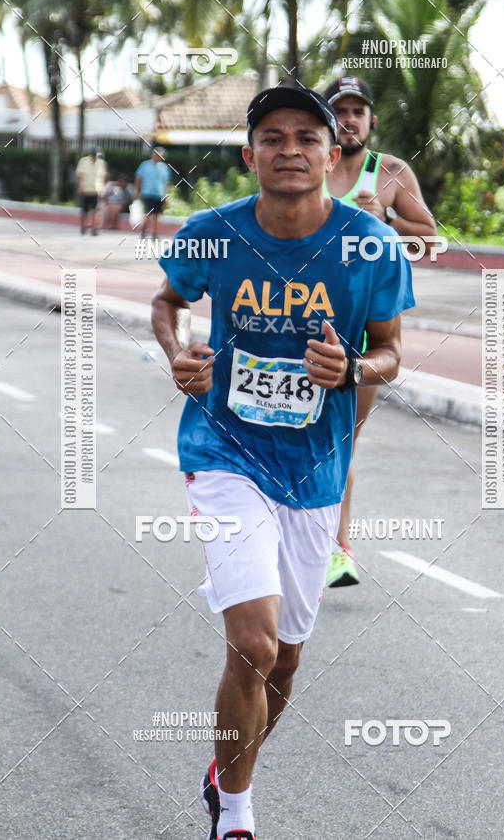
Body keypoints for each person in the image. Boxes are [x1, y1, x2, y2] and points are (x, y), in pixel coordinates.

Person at [151, 86, 415, 840]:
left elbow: (393, 351)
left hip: (314, 469)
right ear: (250, 155)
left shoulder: (370, 246)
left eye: (307, 137)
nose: (290, 148)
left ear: (334, 156)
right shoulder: (214, 232)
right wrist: (178, 355)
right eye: (272, 136)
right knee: (253, 643)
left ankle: (222, 774)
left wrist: (355, 369)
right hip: (224, 450)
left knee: (285, 665)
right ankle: (236, 818)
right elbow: (167, 302)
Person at [322, 75, 437, 588]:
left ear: (371, 120)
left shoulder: (388, 171)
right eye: (339, 110)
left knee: (341, 441)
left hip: (366, 324)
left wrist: (385, 220)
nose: (348, 119)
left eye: (357, 111)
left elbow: (430, 237)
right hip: (305, 318)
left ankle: (336, 550)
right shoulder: (309, 162)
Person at [134, 146, 172, 241]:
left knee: (157, 215)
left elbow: (167, 183)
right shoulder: (145, 165)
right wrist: (137, 191)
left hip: (159, 194)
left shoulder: (164, 168)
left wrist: (167, 195)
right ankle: (143, 230)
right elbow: (139, 178)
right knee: (149, 213)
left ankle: (154, 233)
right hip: (147, 192)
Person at [75, 148, 107, 235]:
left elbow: (103, 177)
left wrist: (103, 189)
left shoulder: (101, 163)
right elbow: (79, 175)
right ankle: (83, 226)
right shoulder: (84, 161)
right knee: (84, 211)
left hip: (96, 190)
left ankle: (94, 228)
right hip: (85, 190)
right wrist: (80, 187)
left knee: (95, 210)